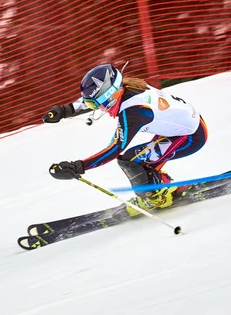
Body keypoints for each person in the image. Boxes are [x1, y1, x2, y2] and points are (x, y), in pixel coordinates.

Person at [42, 64, 208, 215]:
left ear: (110, 98)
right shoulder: (127, 86)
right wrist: (65, 110)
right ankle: (160, 189)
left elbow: (114, 148)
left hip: (190, 137)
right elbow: (95, 97)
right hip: (181, 129)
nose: (97, 109)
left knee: (129, 161)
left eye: (96, 105)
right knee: (139, 162)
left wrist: (78, 166)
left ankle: (158, 197)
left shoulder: (133, 112)